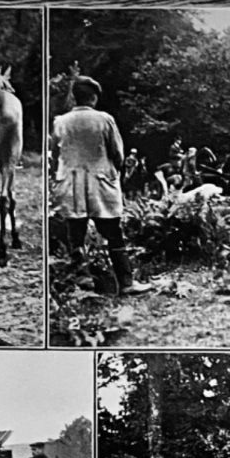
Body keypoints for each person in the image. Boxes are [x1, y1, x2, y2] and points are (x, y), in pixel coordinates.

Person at [51, 76, 149, 295]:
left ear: (74, 97)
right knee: (113, 233)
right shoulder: (105, 120)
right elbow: (118, 154)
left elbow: (55, 155)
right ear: (94, 98)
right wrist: (116, 171)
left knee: (75, 234)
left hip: (71, 185)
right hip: (100, 184)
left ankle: (82, 281)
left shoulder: (60, 122)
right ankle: (126, 282)